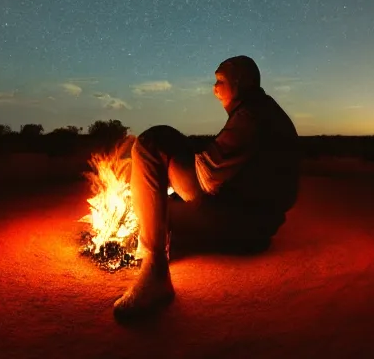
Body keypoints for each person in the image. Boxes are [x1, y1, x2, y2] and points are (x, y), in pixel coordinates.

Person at [113, 55, 301, 320]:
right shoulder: (265, 111)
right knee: (162, 211)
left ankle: (155, 274)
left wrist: (173, 168)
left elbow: (208, 177)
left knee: (152, 142)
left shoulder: (250, 116)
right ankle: (160, 237)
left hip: (243, 226)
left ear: (240, 82)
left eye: (219, 80)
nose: (214, 88)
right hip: (259, 226)